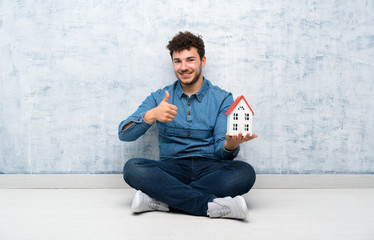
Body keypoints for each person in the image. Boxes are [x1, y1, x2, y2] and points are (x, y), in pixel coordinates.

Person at [118, 31, 258, 220]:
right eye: (177, 61)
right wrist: (151, 115)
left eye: (190, 60)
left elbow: (221, 153)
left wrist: (230, 146)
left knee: (245, 173)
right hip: (171, 171)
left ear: (203, 61)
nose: (184, 67)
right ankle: (209, 206)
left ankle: (162, 200)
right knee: (132, 167)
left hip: (210, 170)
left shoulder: (222, 98)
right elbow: (124, 134)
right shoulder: (159, 97)